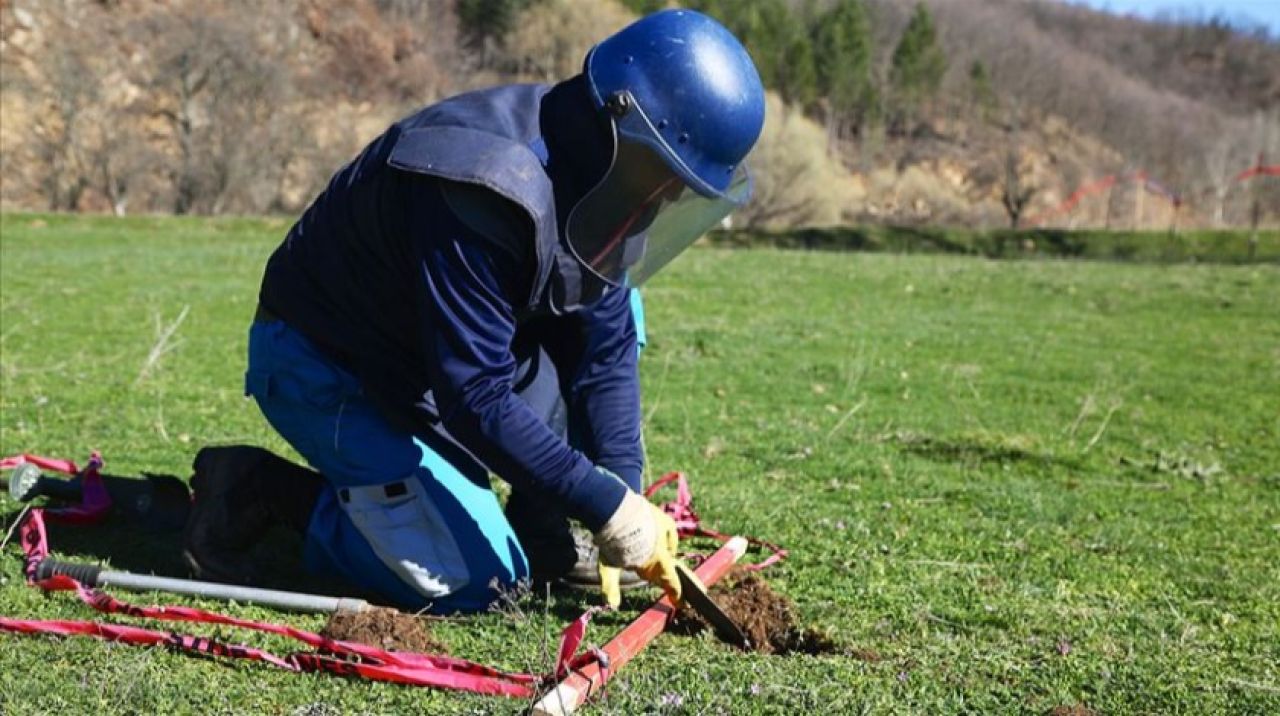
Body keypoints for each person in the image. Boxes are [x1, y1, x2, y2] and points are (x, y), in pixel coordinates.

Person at [182, 9, 765, 614]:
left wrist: (623, 488)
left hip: (443, 354)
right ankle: (265, 492)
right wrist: (602, 505)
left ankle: (541, 533)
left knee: (622, 309)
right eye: (667, 175)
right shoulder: (482, 184)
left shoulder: (618, 183)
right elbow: (476, 396)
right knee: (475, 580)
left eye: (682, 187)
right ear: (620, 121)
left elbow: (607, 348)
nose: (668, 197)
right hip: (330, 364)